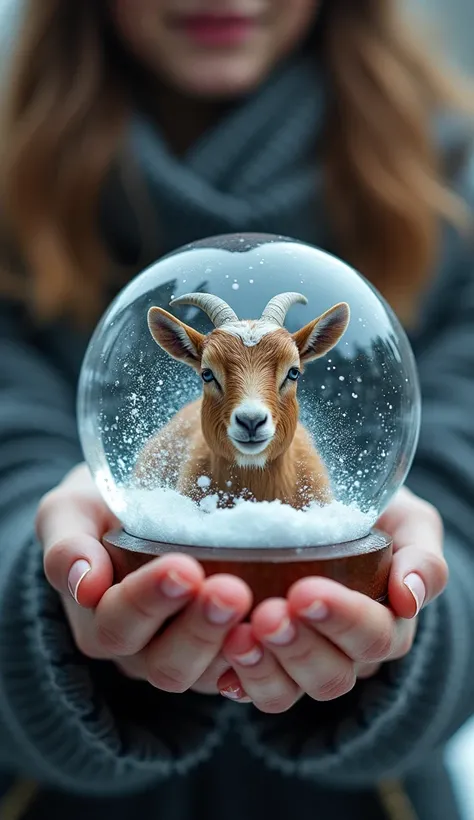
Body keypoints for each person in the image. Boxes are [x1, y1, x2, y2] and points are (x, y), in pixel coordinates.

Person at [0, 1, 473, 818]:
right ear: (187, 356)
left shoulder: (453, 188)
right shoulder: (10, 191)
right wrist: (44, 603)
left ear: (312, 353)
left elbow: (462, 502)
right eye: (213, 375)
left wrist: (414, 619)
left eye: (284, 373)